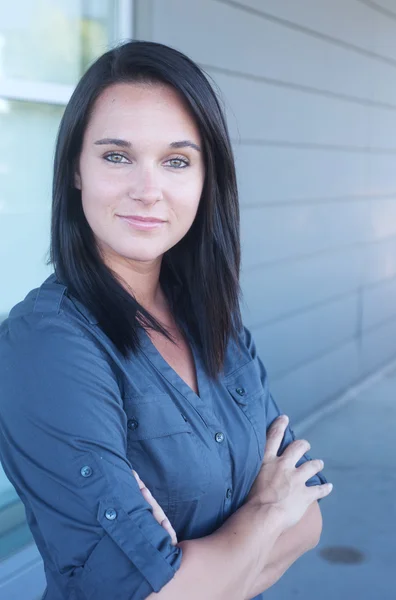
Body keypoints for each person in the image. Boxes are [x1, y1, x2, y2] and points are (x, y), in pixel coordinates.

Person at [0, 40, 332, 600]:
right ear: (75, 170)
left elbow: (311, 522)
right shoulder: (48, 346)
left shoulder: (212, 317)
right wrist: (266, 509)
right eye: (117, 155)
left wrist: (199, 569)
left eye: (176, 160)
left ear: (207, 180)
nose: (147, 190)